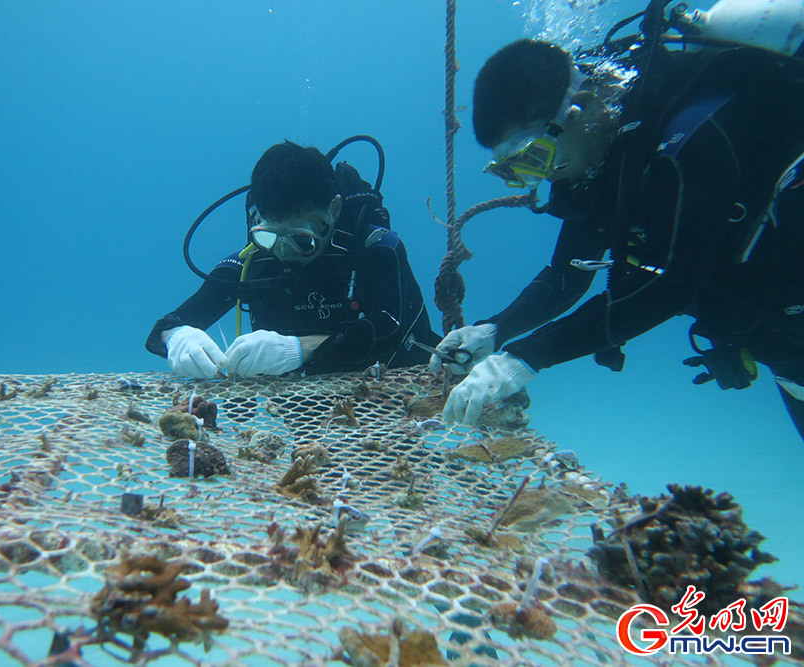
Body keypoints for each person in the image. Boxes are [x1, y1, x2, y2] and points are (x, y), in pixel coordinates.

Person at [435, 22, 804, 437]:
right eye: (514, 169)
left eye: (534, 156)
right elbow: (567, 274)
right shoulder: (603, 166)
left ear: (583, 109)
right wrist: (495, 330)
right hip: (784, 347)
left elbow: (670, 284)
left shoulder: (694, 139)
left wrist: (523, 358)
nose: (541, 177)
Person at [147, 140, 440, 378]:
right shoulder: (252, 263)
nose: (283, 253)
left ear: (334, 210)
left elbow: (390, 328)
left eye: (301, 240)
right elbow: (163, 328)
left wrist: (301, 348)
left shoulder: (376, 248)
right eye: (268, 237)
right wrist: (178, 337)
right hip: (303, 410)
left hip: (396, 396)